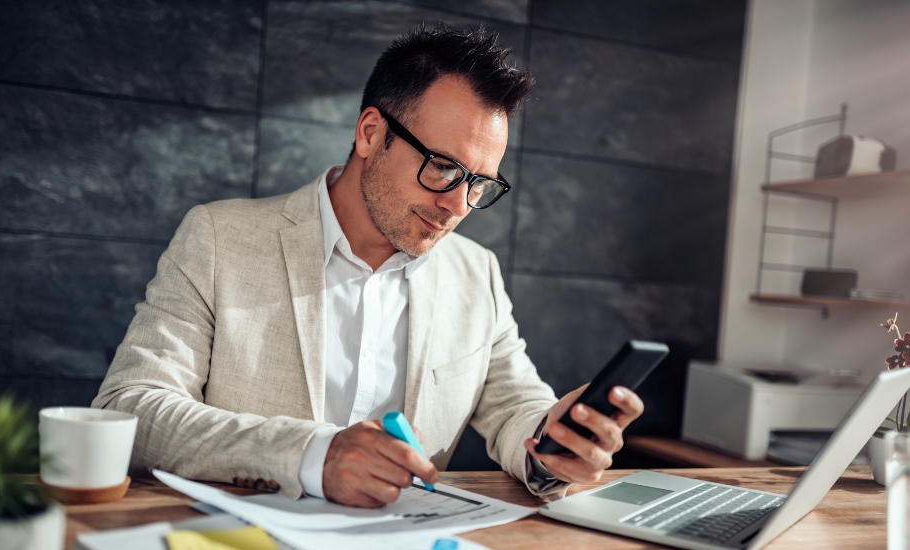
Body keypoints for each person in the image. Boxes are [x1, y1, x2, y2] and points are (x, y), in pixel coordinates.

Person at [92, 24, 644, 508]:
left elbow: (515, 408)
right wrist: (312, 455)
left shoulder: (477, 274)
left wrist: (554, 444)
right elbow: (132, 410)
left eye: (479, 183)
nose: (458, 205)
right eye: (443, 167)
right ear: (370, 133)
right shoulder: (219, 238)